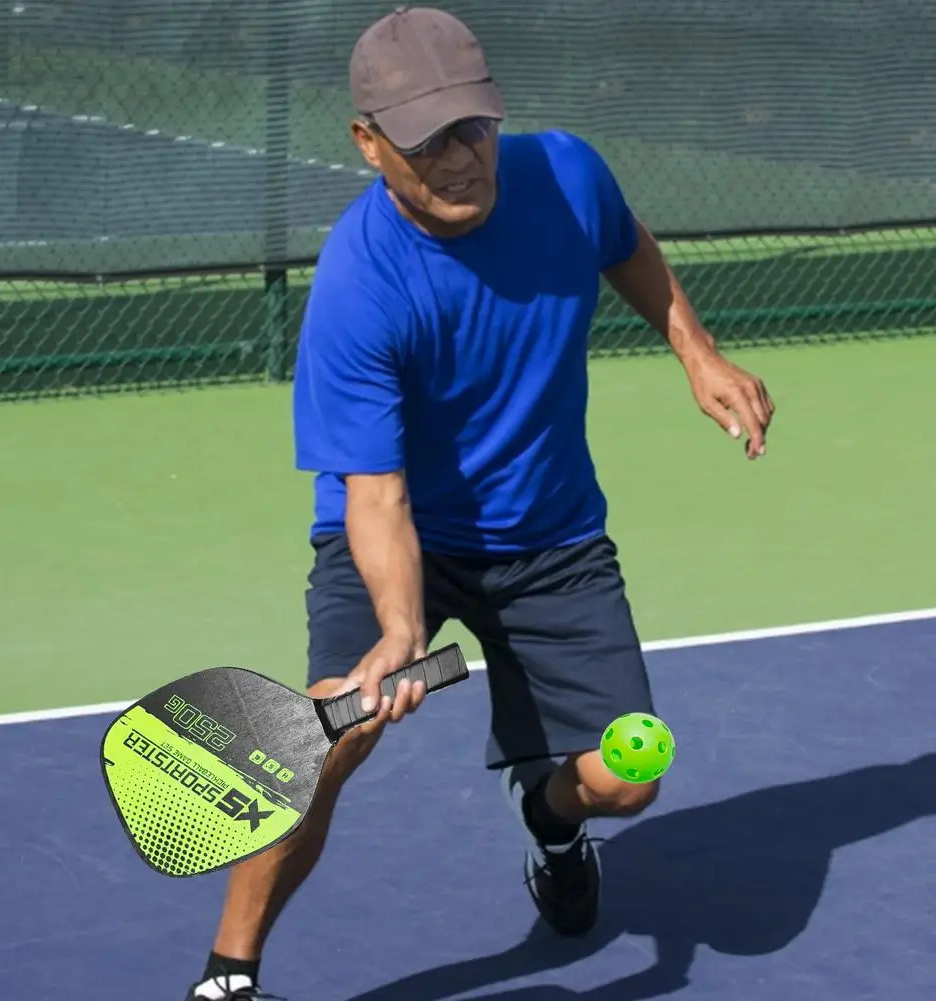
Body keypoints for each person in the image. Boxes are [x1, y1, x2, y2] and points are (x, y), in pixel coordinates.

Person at [184, 6, 774, 999]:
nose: (461, 157)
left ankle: (550, 822)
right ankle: (226, 975)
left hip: (551, 536)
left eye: (474, 126)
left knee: (624, 780)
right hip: (403, 530)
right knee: (332, 732)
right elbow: (375, 493)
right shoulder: (359, 285)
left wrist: (695, 351)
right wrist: (400, 627)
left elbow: (623, 242)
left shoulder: (565, 173)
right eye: (428, 140)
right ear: (368, 142)